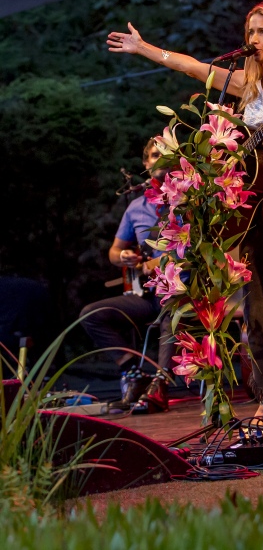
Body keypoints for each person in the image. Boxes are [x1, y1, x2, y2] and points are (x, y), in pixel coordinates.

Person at [107, 0, 263, 432]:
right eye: (248, 32)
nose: (252, 40)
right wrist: (143, 49)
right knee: (253, 307)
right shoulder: (244, 83)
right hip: (252, 205)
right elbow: (193, 68)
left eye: (260, 31)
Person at [80, 138, 173, 412]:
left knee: (172, 305)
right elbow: (114, 251)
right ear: (146, 163)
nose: (159, 160)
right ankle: (134, 373)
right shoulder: (136, 208)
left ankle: (161, 384)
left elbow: (189, 249)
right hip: (147, 295)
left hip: (180, 289)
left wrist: (154, 263)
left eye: (166, 155)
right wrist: (124, 257)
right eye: (155, 155)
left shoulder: (187, 199)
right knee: (91, 314)